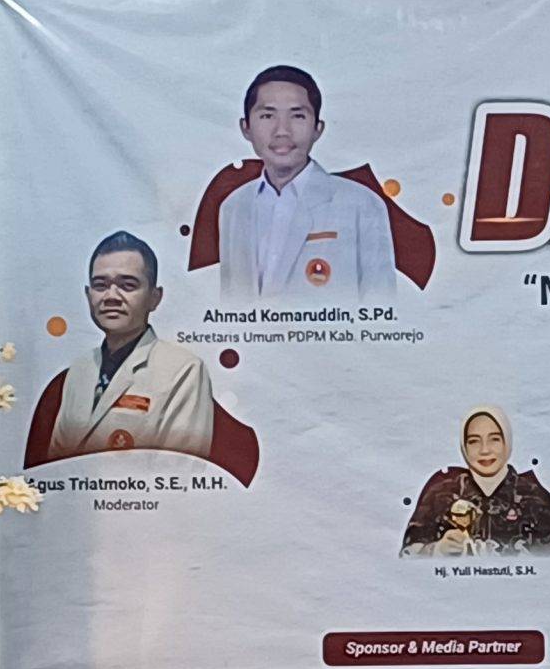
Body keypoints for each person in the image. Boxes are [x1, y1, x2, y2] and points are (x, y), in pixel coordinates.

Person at [31, 232, 216, 464]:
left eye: (127, 285)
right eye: (100, 285)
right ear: (88, 296)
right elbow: (55, 467)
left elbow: (181, 473)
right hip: (78, 499)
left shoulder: (184, 370)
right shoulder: (79, 369)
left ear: (154, 298)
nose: (111, 297)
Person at [217, 64, 397, 302]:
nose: (282, 131)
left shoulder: (360, 203)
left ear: (318, 129)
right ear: (246, 128)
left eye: (298, 115)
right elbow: (231, 305)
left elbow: (382, 306)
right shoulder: (234, 206)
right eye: (267, 115)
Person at [400, 406, 550, 555]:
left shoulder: (532, 495)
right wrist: (437, 550)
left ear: (507, 443)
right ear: (464, 446)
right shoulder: (441, 493)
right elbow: (406, 555)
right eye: (474, 441)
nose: (484, 450)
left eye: (495, 439)